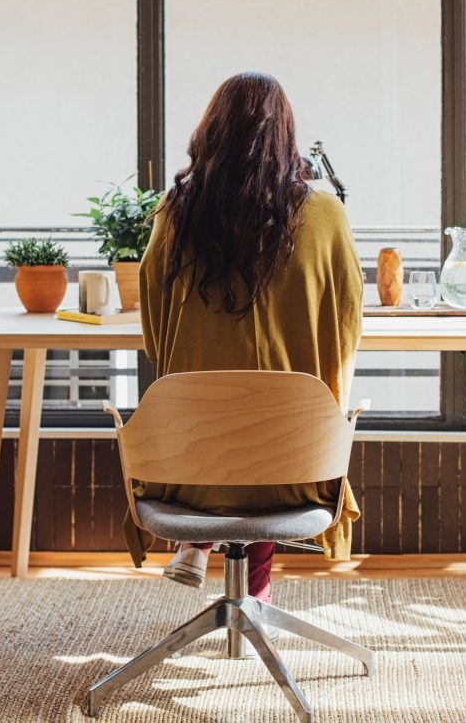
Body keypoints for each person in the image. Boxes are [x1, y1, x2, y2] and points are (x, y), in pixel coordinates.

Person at [124, 71, 363, 604]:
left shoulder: (175, 213)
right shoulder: (325, 215)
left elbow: (155, 338)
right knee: (277, 415)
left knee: (223, 418)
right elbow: (345, 329)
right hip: (298, 469)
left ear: (210, 133)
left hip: (187, 470)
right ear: (287, 138)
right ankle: (256, 596)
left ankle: (200, 542)